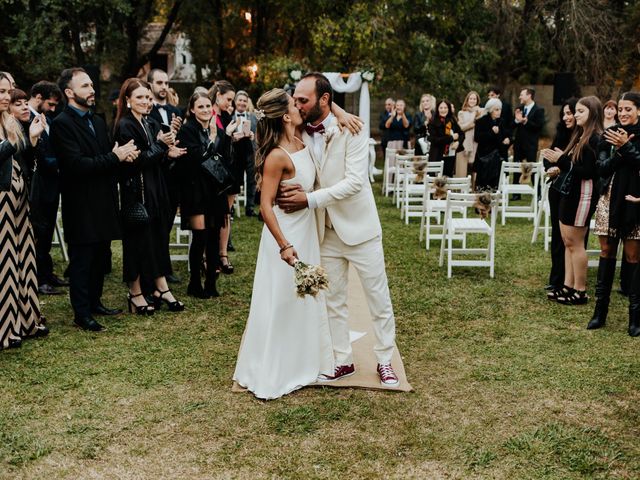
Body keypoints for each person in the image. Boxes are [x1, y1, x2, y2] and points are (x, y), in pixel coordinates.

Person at [278, 73, 400, 387]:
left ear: (325, 100)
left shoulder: (352, 129)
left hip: (360, 229)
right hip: (326, 232)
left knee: (378, 298)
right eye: (296, 100)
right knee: (333, 299)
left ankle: (384, 359)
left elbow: (355, 183)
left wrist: (309, 200)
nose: (297, 105)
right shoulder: (299, 128)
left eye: (303, 100)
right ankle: (342, 359)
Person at [233, 89, 335, 399]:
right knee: (280, 301)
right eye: (295, 103)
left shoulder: (302, 137)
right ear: (286, 115)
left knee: (302, 299)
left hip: (305, 227)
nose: (301, 105)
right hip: (285, 234)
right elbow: (265, 207)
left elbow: (326, 108)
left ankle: (303, 359)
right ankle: (275, 368)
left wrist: (340, 113)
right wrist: (284, 246)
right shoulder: (277, 155)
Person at [50, 67, 139, 331]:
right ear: (69, 92)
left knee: (101, 255)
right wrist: (115, 157)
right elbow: (77, 165)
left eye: (91, 85)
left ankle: (95, 301)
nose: (92, 90)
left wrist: (121, 156)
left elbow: (105, 158)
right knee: (82, 259)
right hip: (81, 202)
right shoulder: (61, 125)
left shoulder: (97, 121)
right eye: (85, 86)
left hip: (104, 199)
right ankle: (81, 313)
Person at [113, 78, 185, 314]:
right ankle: (135, 293)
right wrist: (159, 146)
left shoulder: (150, 122)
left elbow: (156, 159)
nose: (146, 101)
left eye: (148, 97)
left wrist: (169, 153)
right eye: (140, 98)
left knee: (156, 240)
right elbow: (135, 161)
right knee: (136, 242)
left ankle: (159, 287)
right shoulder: (125, 126)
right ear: (128, 101)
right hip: (136, 193)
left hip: (156, 189)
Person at [0, 72, 49, 350]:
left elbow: (23, 160)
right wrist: (11, 140)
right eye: (1, 92)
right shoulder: (7, 125)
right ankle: (6, 330)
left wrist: (30, 140)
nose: (7, 97)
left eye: (9, 91)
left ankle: (27, 320)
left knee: (25, 258)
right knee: (6, 263)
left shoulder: (10, 122)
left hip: (19, 197)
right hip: (1, 201)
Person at [542, 96, 602, 306]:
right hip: (570, 193)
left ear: (592, 114)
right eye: (575, 111)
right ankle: (568, 285)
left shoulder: (595, 138)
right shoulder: (580, 135)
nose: (576, 114)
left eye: (580, 111)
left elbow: (589, 171)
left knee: (576, 244)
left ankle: (580, 291)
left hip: (583, 195)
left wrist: (562, 161)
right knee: (568, 242)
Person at [588, 92, 640, 336]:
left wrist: (628, 146)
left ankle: (635, 317)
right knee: (607, 251)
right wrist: (620, 151)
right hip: (609, 200)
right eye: (620, 109)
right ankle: (600, 312)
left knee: (633, 256)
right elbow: (601, 168)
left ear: (639, 111)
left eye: (628, 109)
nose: (623, 113)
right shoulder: (607, 137)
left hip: (634, 202)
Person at [175, 91, 227, 298]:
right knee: (200, 236)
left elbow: (223, 158)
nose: (205, 110)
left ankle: (211, 283)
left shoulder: (218, 131)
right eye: (201, 107)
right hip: (195, 190)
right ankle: (194, 282)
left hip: (215, 190)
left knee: (214, 236)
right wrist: (212, 139)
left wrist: (222, 138)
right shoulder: (187, 131)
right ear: (193, 109)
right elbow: (196, 158)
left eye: (208, 106)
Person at [26, 81, 67, 296]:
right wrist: (63, 163)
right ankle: (39, 279)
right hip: (39, 185)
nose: (53, 109)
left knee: (47, 231)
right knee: (39, 232)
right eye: (50, 104)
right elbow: (39, 156)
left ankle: (47, 272)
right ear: (38, 97)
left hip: (52, 185)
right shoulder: (26, 119)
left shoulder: (47, 119)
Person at [147, 69, 183, 284]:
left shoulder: (174, 110)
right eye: (159, 82)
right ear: (150, 84)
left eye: (166, 83)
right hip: (153, 172)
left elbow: (177, 142)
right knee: (154, 225)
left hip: (171, 174)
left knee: (167, 223)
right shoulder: (145, 110)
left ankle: (165, 267)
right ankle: (154, 268)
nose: (163, 87)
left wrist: (177, 133)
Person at [543, 98, 578, 297]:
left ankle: (569, 279)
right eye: (564, 113)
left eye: (570, 113)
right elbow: (548, 159)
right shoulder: (562, 133)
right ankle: (556, 279)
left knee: (569, 237)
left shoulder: (583, 137)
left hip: (573, 191)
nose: (566, 117)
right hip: (556, 189)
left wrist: (562, 165)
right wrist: (551, 167)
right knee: (557, 234)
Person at [209, 80, 237, 275]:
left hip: (228, 170)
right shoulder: (206, 114)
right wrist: (226, 135)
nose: (230, 104)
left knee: (226, 213)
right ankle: (208, 255)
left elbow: (228, 144)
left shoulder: (227, 116)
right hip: (212, 173)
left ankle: (223, 254)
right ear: (218, 95)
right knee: (214, 215)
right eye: (228, 99)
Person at [513, 87, 545, 192]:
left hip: (530, 144)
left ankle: (538, 191)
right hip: (518, 143)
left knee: (533, 168)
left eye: (522, 95)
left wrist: (526, 122)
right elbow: (512, 125)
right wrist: (517, 121)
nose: (519, 97)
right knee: (516, 168)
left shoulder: (539, 110)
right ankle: (515, 192)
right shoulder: (519, 109)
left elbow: (539, 126)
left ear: (529, 95)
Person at [473, 98, 509, 191]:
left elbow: (506, 135)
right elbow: (477, 138)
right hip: (484, 157)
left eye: (500, 109)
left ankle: (494, 203)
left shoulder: (502, 121)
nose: (499, 112)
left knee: (495, 185)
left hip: (498, 157)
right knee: (482, 185)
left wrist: (507, 139)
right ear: (490, 110)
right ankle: (480, 204)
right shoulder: (481, 121)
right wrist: (491, 132)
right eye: (496, 109)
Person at [232, 90, 258, 217]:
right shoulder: (229, 116)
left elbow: (258, 136)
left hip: (249, 151)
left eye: (244, 101)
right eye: (240, 100)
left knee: (252, 181)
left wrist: (253, 137)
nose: (242, 103)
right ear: (235, 101)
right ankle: (231, 206)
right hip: (235, 152)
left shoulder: (252, 117)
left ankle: (250, 208)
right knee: (235, 180)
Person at [428, 99, 463, 177]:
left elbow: (461, 134)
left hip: (450, 155)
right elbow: (434, 140)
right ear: (437, 109)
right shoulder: (433, 122)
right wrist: (451, 138)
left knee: (448, 177)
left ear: (449, 109)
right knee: (435, 179)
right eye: (441, 108)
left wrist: (458, 142)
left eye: (445, 108)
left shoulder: (452, 120)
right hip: (437, 155)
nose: (443, 110)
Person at [456, 91, 483, 178]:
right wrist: (472, 123)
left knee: (475, 170)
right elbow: (461, 128)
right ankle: (460, 190)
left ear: (477, 100)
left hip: (476, 142)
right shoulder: (461, 113)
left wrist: (476, 113)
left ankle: (475, 189)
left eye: (474, 99)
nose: (472, 100)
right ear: (467, 100)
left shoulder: (481, 112)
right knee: (462, 170)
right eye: (470, 98)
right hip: (465, 143)